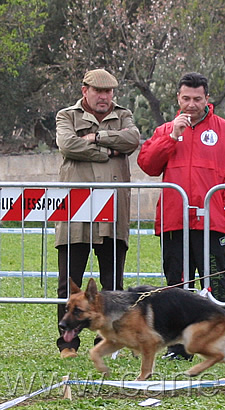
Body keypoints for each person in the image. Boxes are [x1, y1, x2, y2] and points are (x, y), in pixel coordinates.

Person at [137, 72, 225, 360]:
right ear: (178, 98)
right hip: (174, 223)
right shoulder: (165, 130)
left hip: (212, 224)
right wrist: (172, 137)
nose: (191, 104)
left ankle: (222, 341)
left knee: (216, 286)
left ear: (207, 99)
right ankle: (179, 347)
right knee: (176, 288)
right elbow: (148, 165)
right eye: (186, 98)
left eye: (197, 99)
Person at [55, 68, 141, 358]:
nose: (104, 97)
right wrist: (107, 151)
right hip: (75, 213)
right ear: (85, 91)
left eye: (109, 92)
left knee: (113, 284)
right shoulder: (67, 115)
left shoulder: (124, 114)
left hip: (114, 212)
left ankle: (110, 343)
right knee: (69, 282)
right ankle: (67, 343)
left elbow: (131, 140)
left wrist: (95, 137)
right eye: (98, 91)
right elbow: (68, 144)